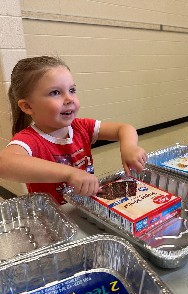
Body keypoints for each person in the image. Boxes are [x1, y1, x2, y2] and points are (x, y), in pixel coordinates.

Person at [0, 56, 147, 204]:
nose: (69, 99)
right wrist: (70, 173)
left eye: (72, 90)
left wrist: (129, 147)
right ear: (28, 106)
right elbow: (4, 164)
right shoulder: (30, 139)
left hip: (84, 206)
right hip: (55, 214)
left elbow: (124, 128)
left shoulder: (81, 127)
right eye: (55, 92)